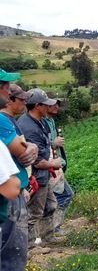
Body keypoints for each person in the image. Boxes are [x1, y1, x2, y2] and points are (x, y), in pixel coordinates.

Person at [0, 71, 37, 271]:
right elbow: (11, 185)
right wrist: (30, 151)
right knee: (9, 261)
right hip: (6, 204)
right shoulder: (2, 123)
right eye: (4, 87)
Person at [18, 88, 62, 247]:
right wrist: (53, 163)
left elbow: (43, 146)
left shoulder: (39, 121)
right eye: (46, 105)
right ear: (37, 106)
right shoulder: (29, 127)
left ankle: (48, 237)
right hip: (36, 176)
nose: (49, 107)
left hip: (44, 174)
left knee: (50, 205)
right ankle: (28, 247)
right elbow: (35, 160)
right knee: (33, 213)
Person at [43, 100, 74, 232]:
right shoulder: (42, 122)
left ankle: (51, 229)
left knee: (56, 197)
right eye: (53, 104)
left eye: (57, 104)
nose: (56, 107)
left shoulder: (51, 121)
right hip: (48, 165)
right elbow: (40, 143)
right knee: (65, 195)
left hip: (56, 164)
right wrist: (53, 143)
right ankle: (52, 228)